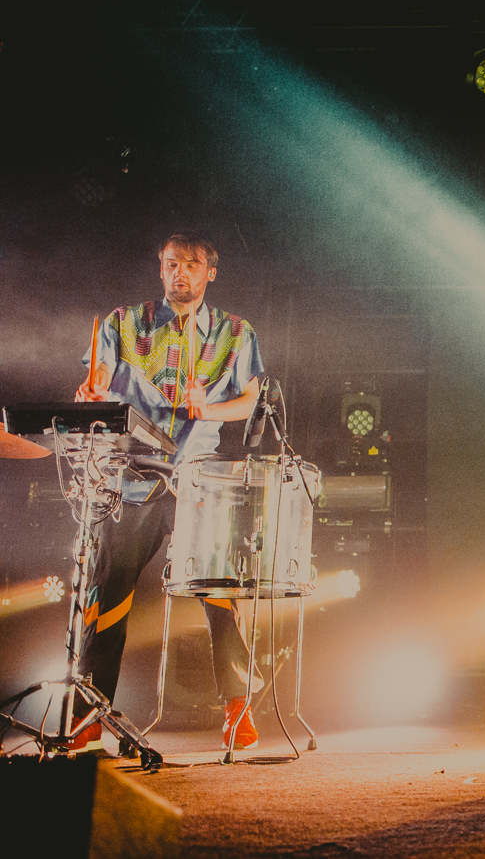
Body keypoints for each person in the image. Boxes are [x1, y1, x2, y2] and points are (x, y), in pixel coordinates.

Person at [71, 234, 266, 750]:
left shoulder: (235, 332)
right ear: (160, 268)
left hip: (195, 478)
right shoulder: (122, 322)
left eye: (192, 264)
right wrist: (92, 391)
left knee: (218, 588)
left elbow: (250, 400)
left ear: (210, 272)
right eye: (171, 263)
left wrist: (209, 409)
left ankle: (238, 707)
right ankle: (89, 712)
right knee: (106, 594)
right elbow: (97, 378)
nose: (181, 272)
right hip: (130, 476)